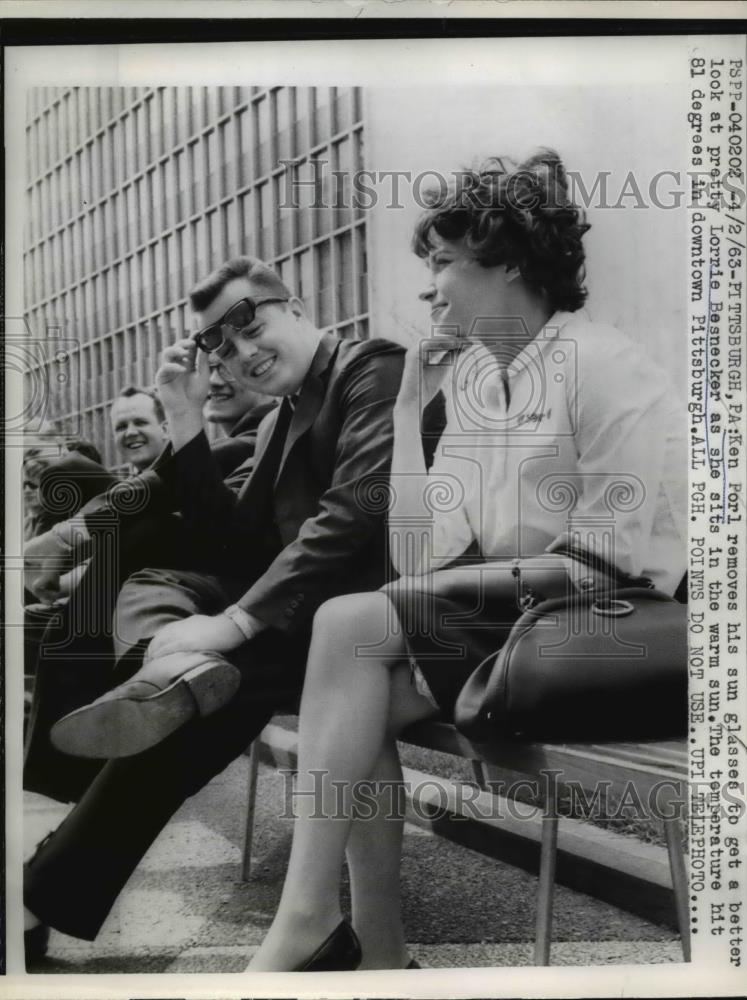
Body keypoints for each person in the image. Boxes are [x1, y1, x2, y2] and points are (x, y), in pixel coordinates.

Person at [245, 150, 688, 971]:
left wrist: (427, 592)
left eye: (444, 262)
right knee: (356, 674)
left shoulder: (600, 362)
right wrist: (414, 409)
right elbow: (420, 550)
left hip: (624, 633)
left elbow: (610, 560)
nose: (432, 287)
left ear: (509, 259)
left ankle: (320, 929)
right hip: (533, 626)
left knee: (350, 632)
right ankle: (364, 949)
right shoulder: (485, 382)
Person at [23, 256, 444, 969]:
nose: (242, 353)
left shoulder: (373, 368)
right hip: (314, 623)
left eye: (252, 325)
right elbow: (228, 535)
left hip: (381, 622)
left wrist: (236, 622)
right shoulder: (282, 415)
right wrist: (184, 412)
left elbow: (351, 516)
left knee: (194, 692)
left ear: (297, 305)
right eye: (219, 345)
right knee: (158, 578)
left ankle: (44, 881)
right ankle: (166, 673)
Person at [22, 369, 277, 805]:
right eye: (120, 425)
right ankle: (65, 763)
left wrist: (68, 538)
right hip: (164, 582)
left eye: (228, 359)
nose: (214, 377)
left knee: (93, 492)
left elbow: (179, 488)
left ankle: (61, 770)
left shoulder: (273, 420)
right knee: (49, 618)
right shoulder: (216, 443)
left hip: (246, 594)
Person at [110, 386, 169, 472]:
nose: (130, 432)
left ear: (165, 429)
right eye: (121, 427)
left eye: (140, 423)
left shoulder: (190, 478)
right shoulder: (126, 485)